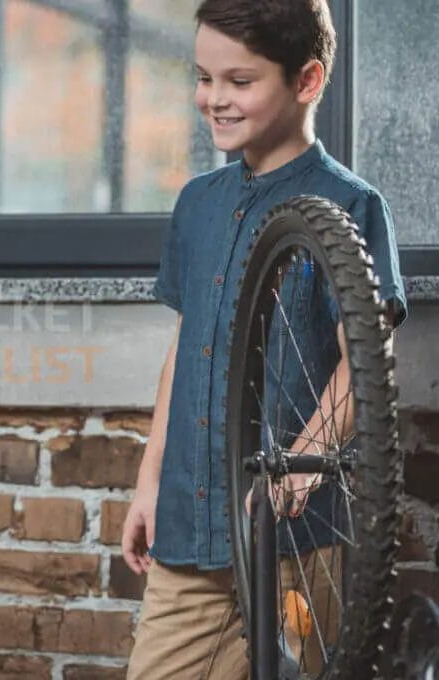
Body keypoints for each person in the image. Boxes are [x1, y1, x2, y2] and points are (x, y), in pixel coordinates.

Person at [121, 1, 406, 678]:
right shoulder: (197, 202)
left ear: (305, 80)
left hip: (297, 547)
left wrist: (297, 471)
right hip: (189, 531)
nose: (213, 99)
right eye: (203, 77)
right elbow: (187, 348)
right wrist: (148, 481)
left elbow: (368, 367)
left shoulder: (353, 203)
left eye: (238, 81)